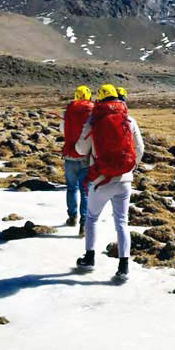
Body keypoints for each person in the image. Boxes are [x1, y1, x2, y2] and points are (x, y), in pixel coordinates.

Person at [75, 83, 144, 282]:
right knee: (122, 222)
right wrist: (130, 168)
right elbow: (140, 149)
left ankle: (89, 258)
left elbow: (80, 149)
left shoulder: (93, 121)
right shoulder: (129, 120)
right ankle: (124, 266)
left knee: (92, 218)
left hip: (101, 179)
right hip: (124, 179)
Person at [60, 85, 94, 237]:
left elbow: (62, 129)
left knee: (71, 188)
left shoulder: (67, 110)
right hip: (86, 157)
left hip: (69, 156)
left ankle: (72, 217)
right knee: (85, 191)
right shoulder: (93, 111)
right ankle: (84, 225)